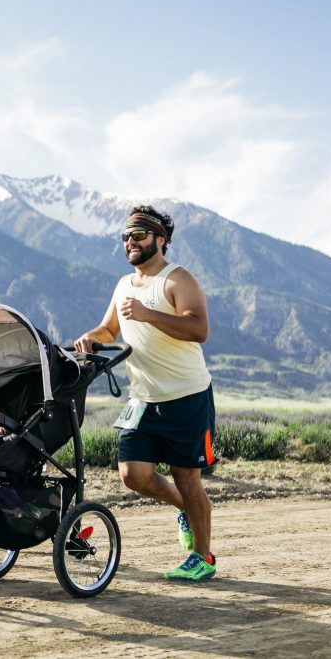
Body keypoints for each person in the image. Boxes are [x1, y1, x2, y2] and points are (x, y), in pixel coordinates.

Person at [74, 205, 218, 582]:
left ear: (160, 240)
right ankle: (184, 508)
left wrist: (148, 314)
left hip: (186, 396)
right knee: (132, 476)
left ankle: (203, 557)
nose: (130, 243)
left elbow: (199, 328)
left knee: (188, 479)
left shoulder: (177, 279)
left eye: (138, 236)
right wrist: (92, 337)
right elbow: (110, 330)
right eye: (125, 237)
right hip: (143, 398)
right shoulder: (124, 285)